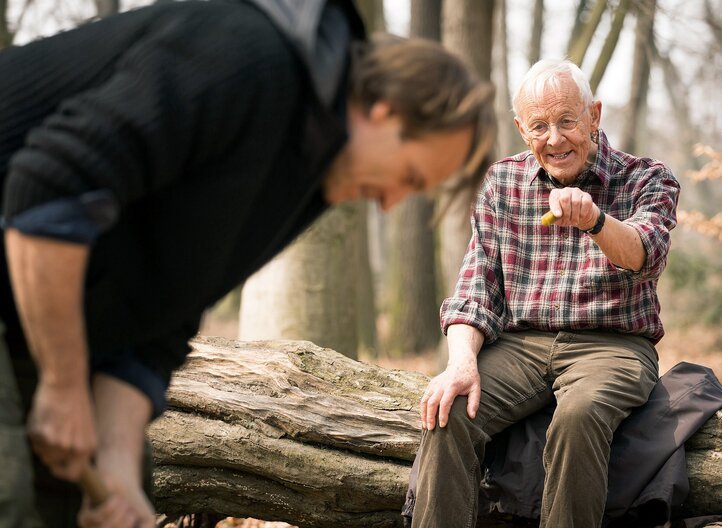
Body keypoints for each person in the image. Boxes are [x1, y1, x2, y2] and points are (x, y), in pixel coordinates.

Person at [0, 0, 496, 526]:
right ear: (386, 110)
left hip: (44, 303)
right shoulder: (250, 60)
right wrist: (62, 383)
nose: (392, 202)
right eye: (411, 176)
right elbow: (46, 188)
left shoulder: (305, 176)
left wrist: (118, 469)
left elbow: (164, 312)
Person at [411, 58, 680, 528]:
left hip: (612, 346)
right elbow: (477, 286)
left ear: (594, 115)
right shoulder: (503, 181)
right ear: (521, 129)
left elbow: (646, 252)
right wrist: (461, 362)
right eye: (539, 126)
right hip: (521, 346)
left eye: (567, 121)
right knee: (449, 409)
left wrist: (596, 221)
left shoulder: (647, 177)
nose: (554, 139)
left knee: (578, 416)